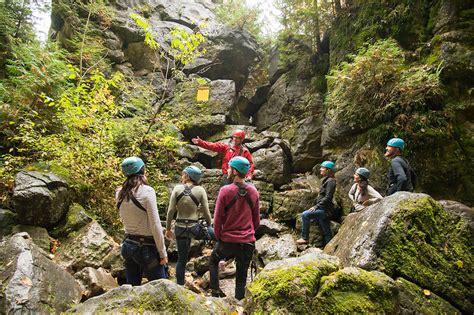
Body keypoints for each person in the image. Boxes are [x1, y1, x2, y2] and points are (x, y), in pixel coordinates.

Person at [208, 156, 260, 300]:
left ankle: (215, 294)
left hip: (228, 240)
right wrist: (248, 232)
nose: (228, 170)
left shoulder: (225, 190)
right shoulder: (254, 192)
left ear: (235, 171)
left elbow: (217, 220)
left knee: (213, 260)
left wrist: (220, 238)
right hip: (247, 241)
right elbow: (256, 221)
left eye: (230, 168)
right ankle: (238, 304)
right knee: (241, 277)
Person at [116, 157, 168, 285]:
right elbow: (155, 224)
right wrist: (162, 252)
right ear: (142, 170)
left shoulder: (119, 193)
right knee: (161, 289)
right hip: (146, 249)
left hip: (128, 246)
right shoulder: (147, 191)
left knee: (132, 289)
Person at [165, 166, 212, 286]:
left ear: (187, 176)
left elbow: (170, 211)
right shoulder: (200, 190)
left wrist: (168, 228)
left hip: (180, 227)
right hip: (194, 228)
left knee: (182, 259)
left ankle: (179, 285)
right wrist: (210, 226)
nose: (182, 176)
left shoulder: (177, 189)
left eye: (183, 174)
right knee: (214, 235)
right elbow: (207, 213)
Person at [297, 161, 336, 246]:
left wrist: (316, 207)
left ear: (328, 170)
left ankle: (305, 238)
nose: (320, 169)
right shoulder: (325, 180)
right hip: (322, 208)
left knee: (305, 215)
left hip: (325, 210)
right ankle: (329, 247)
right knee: (326, 231)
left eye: (323, 168)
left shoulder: (331, 181)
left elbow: (328, 197)